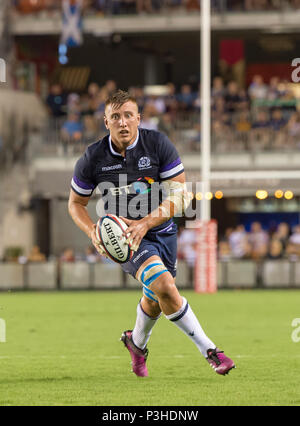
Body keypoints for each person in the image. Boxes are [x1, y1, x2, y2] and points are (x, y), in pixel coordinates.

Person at [68, 89, 235, 377]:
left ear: (138, 119)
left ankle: (136, 344)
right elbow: (76, 203)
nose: (123, 122)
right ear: (105, 122)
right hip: (125, 238)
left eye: (128, 116)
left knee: (156, 298)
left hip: (163, 230)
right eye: (115, 117)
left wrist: (146, 222)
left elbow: (181, 196)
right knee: (166, 287)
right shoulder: (93, 157)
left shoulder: (157, 144)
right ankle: (211, 351)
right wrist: (92, 230)